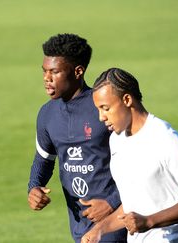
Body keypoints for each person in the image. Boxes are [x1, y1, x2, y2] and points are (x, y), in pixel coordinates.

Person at [81, 68, 178, 243]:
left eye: (105, 108)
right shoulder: (117, 140)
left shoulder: (165, 138)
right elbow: (134, 202)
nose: (101, 117)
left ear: (127, 99)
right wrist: (99, 230)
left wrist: (150, 221)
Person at [27, 34, 127, 243]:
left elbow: (137, 163)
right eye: (44, 71)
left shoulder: (104, 108)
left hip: (117, 220)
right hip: (79, 225)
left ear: (78, 71)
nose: (47, 78)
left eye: (54, 71)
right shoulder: (46, 114)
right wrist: (34, 187)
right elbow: (43, 159)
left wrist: (111, 202)